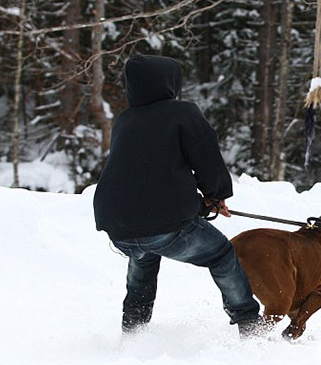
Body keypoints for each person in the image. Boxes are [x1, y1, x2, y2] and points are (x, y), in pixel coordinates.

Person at [93, 55, 262, 338]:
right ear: (169, 82)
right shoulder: (182, 113)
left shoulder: (124, 121)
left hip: (119, 226)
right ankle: (249, 323)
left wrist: (200, 203)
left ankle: (133, 332)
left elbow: (148, 176)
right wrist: (216, 195)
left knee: (144, 258)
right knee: (220, 254)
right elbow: (206, 156)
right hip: (162, 222)